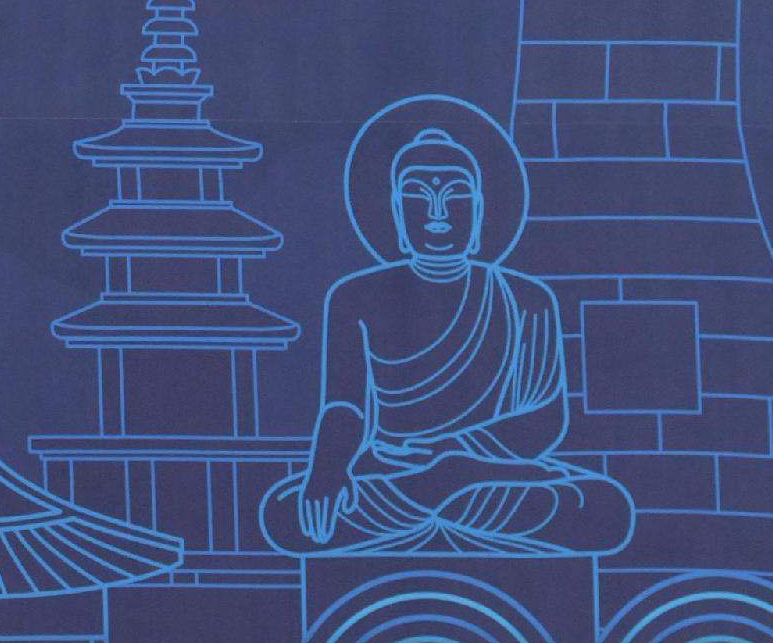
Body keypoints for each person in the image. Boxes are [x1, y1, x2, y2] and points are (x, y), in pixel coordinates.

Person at [261, 118, 634, 558]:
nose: (437, 213)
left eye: (455, 195)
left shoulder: (526, 299)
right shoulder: (353, 298)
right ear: (396, 212)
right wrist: (327, 466)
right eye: (417, 195)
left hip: (489, 474)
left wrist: (454, 456)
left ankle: (442, 494)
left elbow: (546, 418)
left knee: (603, 509)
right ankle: (440, 498)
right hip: (396, 472)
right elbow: (345, 407)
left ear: (478, 211)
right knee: (285, 512)